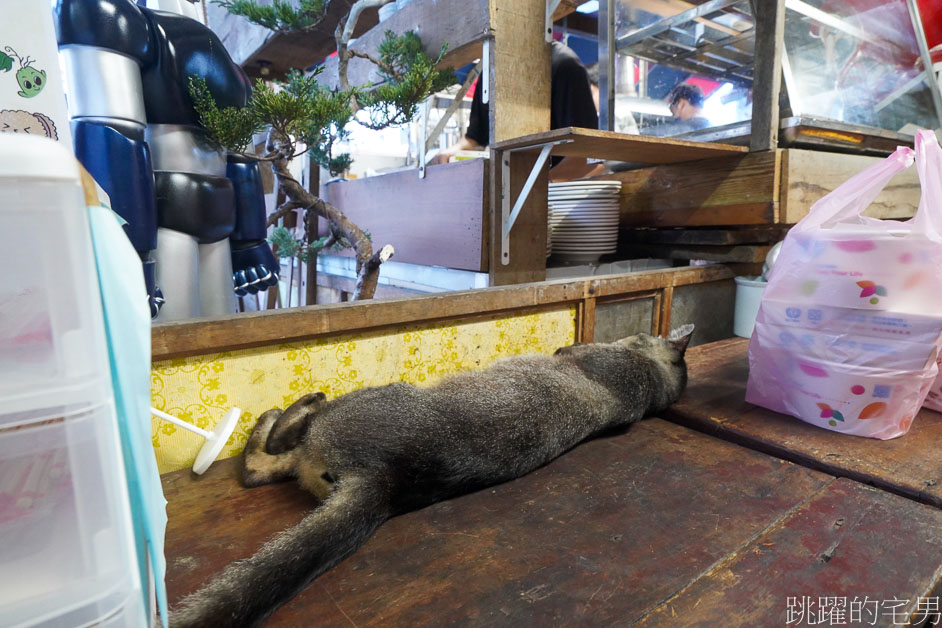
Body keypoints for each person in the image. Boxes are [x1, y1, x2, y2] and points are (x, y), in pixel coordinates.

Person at [437, 41, 599, 181]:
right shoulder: (489, 71)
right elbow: (475, 138)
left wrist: (537, 187)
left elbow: (584, 155)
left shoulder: (563, 64)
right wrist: (448, 153)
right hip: (503, 193)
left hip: (555, 196)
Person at [645, 83, 711, 137]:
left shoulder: (683, 130)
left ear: (681, 104)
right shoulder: (713, 131)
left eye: (673, 112)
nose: (674, 118)